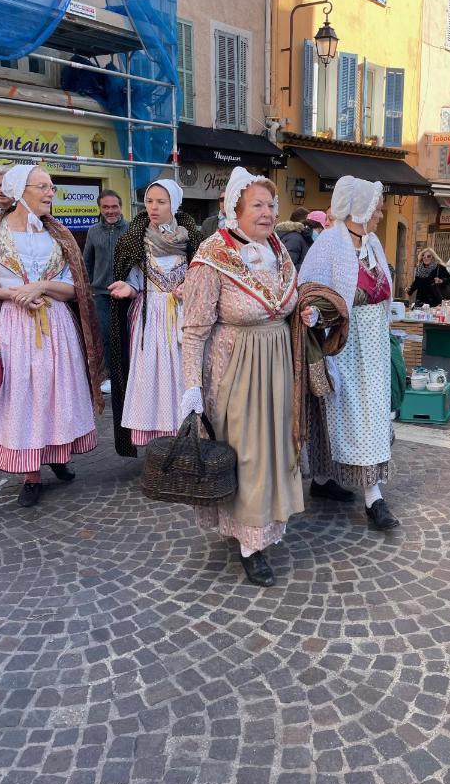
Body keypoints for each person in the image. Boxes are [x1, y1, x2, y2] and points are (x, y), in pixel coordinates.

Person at [181, 166, 303, 587]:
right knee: (248, 455)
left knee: (274, 450)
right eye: (258, 205)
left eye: (271, 204)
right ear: (235, 208)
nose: (267, 213)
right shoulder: (212, 255)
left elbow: (286, 303)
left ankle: (268, 520)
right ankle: (251, 544)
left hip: (277, 363)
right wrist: (191, 386)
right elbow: (194, 329)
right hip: (235, 368)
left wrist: (303, 313)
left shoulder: (277, 250)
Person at [0, 164, 104, 508]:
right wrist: (8, 294)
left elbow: (76, 288)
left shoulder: (60, 234)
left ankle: (55, 453)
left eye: (51, 186)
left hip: (56, 325)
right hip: (14, 327)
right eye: (43, 186)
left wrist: (40, 286)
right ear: (20, 191)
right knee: (23, 395)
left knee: (55, 393)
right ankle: (30, 473)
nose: (51, 192)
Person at [298, 175, 399, 531]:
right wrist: (316, 313)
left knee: (370, 414)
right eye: (377, 208)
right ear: (360, 209)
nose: (381, 214)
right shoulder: (329, 243)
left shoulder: (372, 244)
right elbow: (308, 289)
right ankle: (371, 496)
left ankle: (330, 482)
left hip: (373, 347)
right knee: (346, 413)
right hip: (344, 346)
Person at [109, 179, 201, 456]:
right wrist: (128, 288)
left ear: (174, 204)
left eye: (161, 202)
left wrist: (190, 287)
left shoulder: (192, 239)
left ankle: (184, 437)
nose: (154, 207)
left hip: (182, 318)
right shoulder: (136, 239)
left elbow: (204, 277)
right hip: (150, 319)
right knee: (151, 378)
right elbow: (135, 279)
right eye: (149, 201)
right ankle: (159, 442)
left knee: (181, 376)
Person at [83, 189, 129, 394]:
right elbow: (87, 261)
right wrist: (88, 288)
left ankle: (128, 375)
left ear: (121, 207)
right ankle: (110, 376)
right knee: (105, 336)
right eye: (106, 207)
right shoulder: (93, 231)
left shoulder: (131, 229)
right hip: (101, 294)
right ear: (100, 209)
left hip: (127, 292)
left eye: (114, 207)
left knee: (127, 334)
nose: (111, 211)